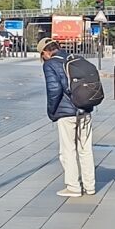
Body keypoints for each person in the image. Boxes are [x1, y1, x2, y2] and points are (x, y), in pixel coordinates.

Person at [42, 38, 97, 197]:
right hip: (85, 109)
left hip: (67, 114)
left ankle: (73, 187)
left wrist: (52, 112)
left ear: (45, 52)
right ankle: (90, 186)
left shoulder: (50, 64)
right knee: (85, 150)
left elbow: (54, 90)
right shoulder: (75, 58)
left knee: (68, 150)